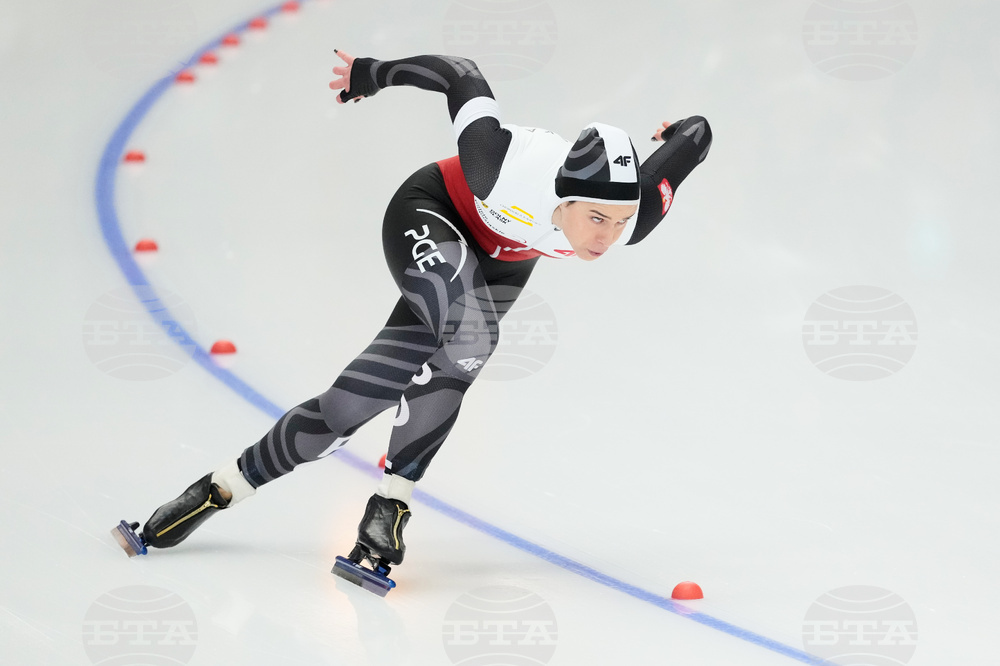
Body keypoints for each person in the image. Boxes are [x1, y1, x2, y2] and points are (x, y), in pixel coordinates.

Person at [114, 51, 712, 577]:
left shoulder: (633, 219)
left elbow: (696, 138)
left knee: (352, 405)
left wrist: (674, 131)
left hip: (503, 261)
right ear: (563, 197)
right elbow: (461, 73)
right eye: (596, 219)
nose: (607, 238)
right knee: (474, 334)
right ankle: (389, 507)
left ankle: (214, 491)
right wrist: (373, 73)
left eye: (619, 222)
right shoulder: (498, 166)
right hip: (433, 211)